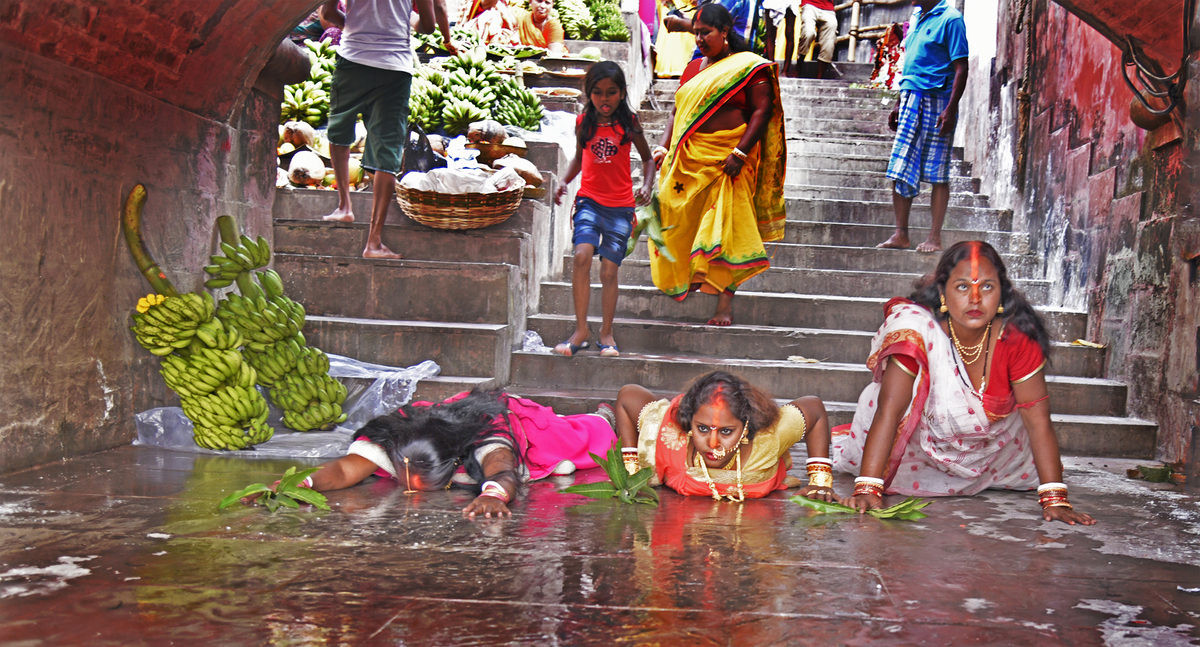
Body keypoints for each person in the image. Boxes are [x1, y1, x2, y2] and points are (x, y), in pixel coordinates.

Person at [831, 241, 1096, 526]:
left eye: (986, 287)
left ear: (1002, 294)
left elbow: (1037, 420)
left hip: (994, 456)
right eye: (961, 287)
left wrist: (1055, 499)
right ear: (943, 293)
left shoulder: (1017, 339)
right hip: (916, 448)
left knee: (1028, 455)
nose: (974, 298)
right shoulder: (917, 330)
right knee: (879, 401)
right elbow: (890, 410)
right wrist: (868, 489)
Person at [650, 3, 786, 326]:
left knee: (729, 226)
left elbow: (762, 110)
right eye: (695, 33)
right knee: (670, 207)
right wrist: (664, 145)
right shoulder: (693, 69)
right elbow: (676, 110)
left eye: (706, 32)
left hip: (732, 159)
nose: (699, 39)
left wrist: (739, 154)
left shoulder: (749, 67)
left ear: (725, 32)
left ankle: (723, 306)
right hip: (689, 157)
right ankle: (691, 274)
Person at [292, 389, 619, 518]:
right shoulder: (397, 439)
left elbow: (502, 472)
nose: (409, 489)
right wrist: (301, 484)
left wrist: (494, 495)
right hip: (444, 421)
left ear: (454, 464)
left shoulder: (488, 438)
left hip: (510, 418)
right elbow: (344, 471)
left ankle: (601, 415)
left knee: (579, 438)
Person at [318, 0, 456, 259]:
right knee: (388, 150)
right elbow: (427, 26)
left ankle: (344, 205)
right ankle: (373, 241)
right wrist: (407, 22)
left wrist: (358, 27)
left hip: (352, 61)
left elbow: (327, 13)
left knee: (339, 130)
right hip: (394, 69)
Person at [552, 63, 656, 358]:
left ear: (622, 93)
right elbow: (578, 159)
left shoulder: (630, 123)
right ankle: (581, 329)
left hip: (621, 207)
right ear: (589, 94)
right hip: (589, 201)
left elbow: (648, 159)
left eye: (611, 92)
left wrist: (647, 185)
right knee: (582, 256)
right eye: (597, 93)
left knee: (609, 271)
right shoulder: (583, 122)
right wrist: (563, 181)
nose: (604, 99)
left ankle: (606, 332)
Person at [613, 371, 836, 501]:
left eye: (726, 432)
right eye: (702, 429)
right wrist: (631, 471)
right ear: (690, 422)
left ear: (746, 426)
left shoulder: (769, 438)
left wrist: (820, 481)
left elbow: (814, 407)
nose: (712, 444)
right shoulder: (668, 434)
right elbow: (628, 394)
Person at [876, 0, 968, 253]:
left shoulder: (951, 19)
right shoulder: (917, 16)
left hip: (938, 100)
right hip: (910, 97)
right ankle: (901, 234)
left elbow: (961, 67)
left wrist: (949, 110)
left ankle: (934, 238)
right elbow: (910, 64)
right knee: (900, 165)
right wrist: (898, 103)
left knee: (937, 172)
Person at [793, 0, 837, 79]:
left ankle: (819, 78)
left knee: (829, 43)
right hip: (810, 4)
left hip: (828, 8)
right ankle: (798, 66)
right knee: (808, 33)